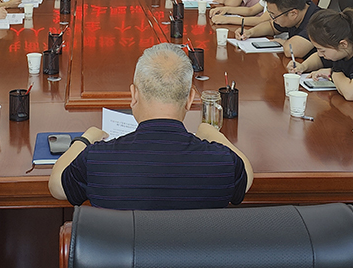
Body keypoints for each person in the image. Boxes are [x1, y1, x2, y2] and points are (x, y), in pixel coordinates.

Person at [48, 43, 253, 210]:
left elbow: (57, 186)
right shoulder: (221, 163)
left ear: (134, 95)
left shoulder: (97, 159)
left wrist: (85, 139)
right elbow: (247, 174)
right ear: (190, 99)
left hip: (125, 251)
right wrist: (211, 132)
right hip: (194, 251)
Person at [236, 0, 321, 59]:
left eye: (274, 16)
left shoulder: (318, 22)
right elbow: (271, 26)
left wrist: (283, 42)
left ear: (293, 14)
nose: (272, 19)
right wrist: (250, 32)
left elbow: (292, 51)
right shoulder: (295, 13)